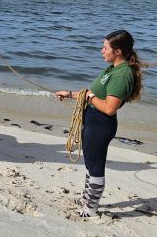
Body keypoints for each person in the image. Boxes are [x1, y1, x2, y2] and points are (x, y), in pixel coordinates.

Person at [55, 30, 143, 218]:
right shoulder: (113, 69)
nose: (101, 50)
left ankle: (91, 209)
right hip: (94, 121)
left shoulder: (122, 75)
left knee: (96, 166)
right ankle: (87, 199)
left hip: (102, 124)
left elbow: (109, 108)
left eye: (105, 47)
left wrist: (89, 96)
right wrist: (70, 94)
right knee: (90, 163)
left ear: (118, 51)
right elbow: (93, 93)